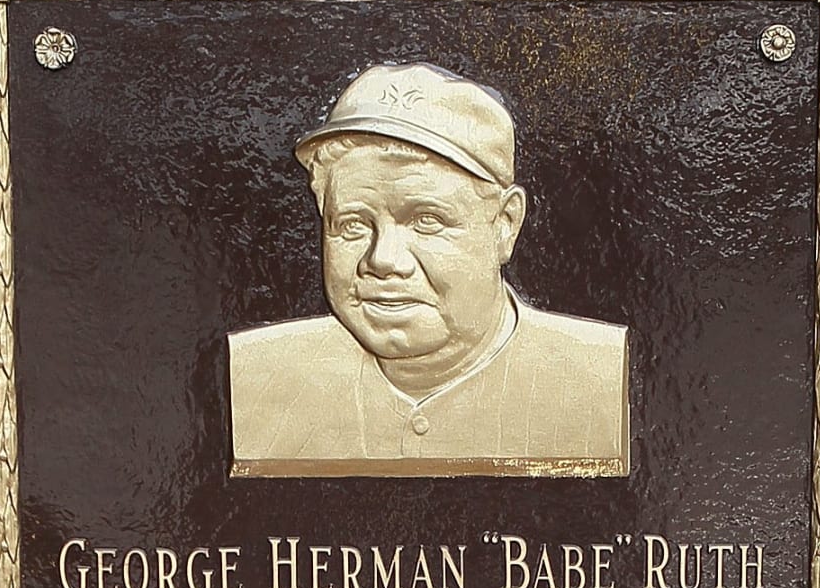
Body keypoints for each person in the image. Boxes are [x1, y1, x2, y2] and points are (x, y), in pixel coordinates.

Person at [229, 63, 629, 477]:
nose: (382, 259)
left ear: (505, 226)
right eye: (352, 224)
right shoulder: (254, 380)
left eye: (426, 221)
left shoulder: (600, 382)